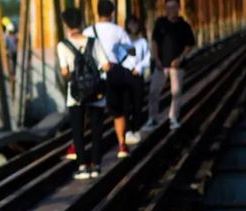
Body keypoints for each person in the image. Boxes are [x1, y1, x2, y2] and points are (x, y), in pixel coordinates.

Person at [57, 7, 110, 179]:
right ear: (81, 22)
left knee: (78, 131)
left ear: (66, 24)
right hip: (95, 91)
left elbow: (65, 71)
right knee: (96, 130)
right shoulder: (94, 42)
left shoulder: (62, 45)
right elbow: (106, 65)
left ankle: (82, 167)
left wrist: (75, 76)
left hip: (76, 94)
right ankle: (96, 165)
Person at [83, 0, 136, 158]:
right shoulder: (118, 30)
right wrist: (120, 62)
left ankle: (87, 147)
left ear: (97, 12)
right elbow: (131, 52)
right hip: (113, 75)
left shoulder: (87, 32)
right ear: (112, 13)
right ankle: (121, 144)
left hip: (94, 78)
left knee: (93, 114)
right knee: (118, 112)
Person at [145, 0, 195, 131]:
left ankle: (173, 118)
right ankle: (152, 118)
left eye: (173, 7)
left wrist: (180, 58)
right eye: (168, 7)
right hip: (161, 65)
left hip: (177, 66)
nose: (170, 10)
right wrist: (156, 59)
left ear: (178, 8)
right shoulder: (160, 23)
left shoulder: (184, 26)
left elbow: (189, 45)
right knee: (153, 92)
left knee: (176, 93)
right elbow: (155, 42)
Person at [123, 15, 150, 145]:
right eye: (130, 24)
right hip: (125, 75)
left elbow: (147, 58)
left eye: (135, 24)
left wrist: (138, 67)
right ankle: (127, 131)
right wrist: (130, 67)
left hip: (138, 75)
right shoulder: (124, 42)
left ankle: (136, 128)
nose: (132, 27)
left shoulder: (142, 41)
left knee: (138, 103)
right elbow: (121, 58)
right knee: (126, 103)